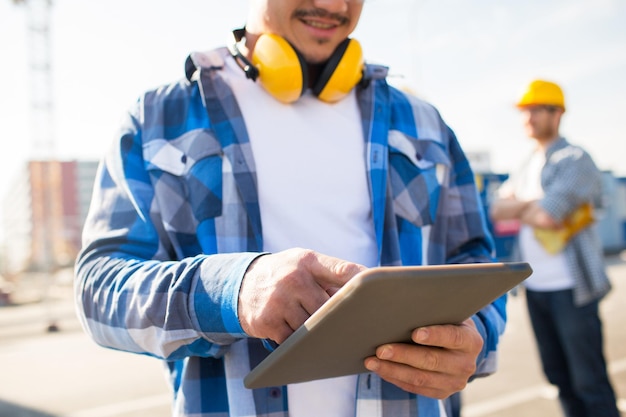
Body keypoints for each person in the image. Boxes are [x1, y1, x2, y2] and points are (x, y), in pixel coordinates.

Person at [74, 1, 506, 416]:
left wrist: (475, 337)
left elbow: (475, 262)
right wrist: (235, 291)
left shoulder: (425, 122)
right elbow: (98, 291)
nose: (332, 4)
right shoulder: (155, 117)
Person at [489, 79, 620, 417]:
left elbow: (548, 216)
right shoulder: (524, 164)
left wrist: (521, 205)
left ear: (557, 113)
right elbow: (496, 210)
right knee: (558, 377)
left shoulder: (576, 159)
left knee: (589, 381)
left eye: (536, 110)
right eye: (525, 111)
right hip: (535, 288)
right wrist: (534, 206)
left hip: (572, 288)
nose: (528, 118)